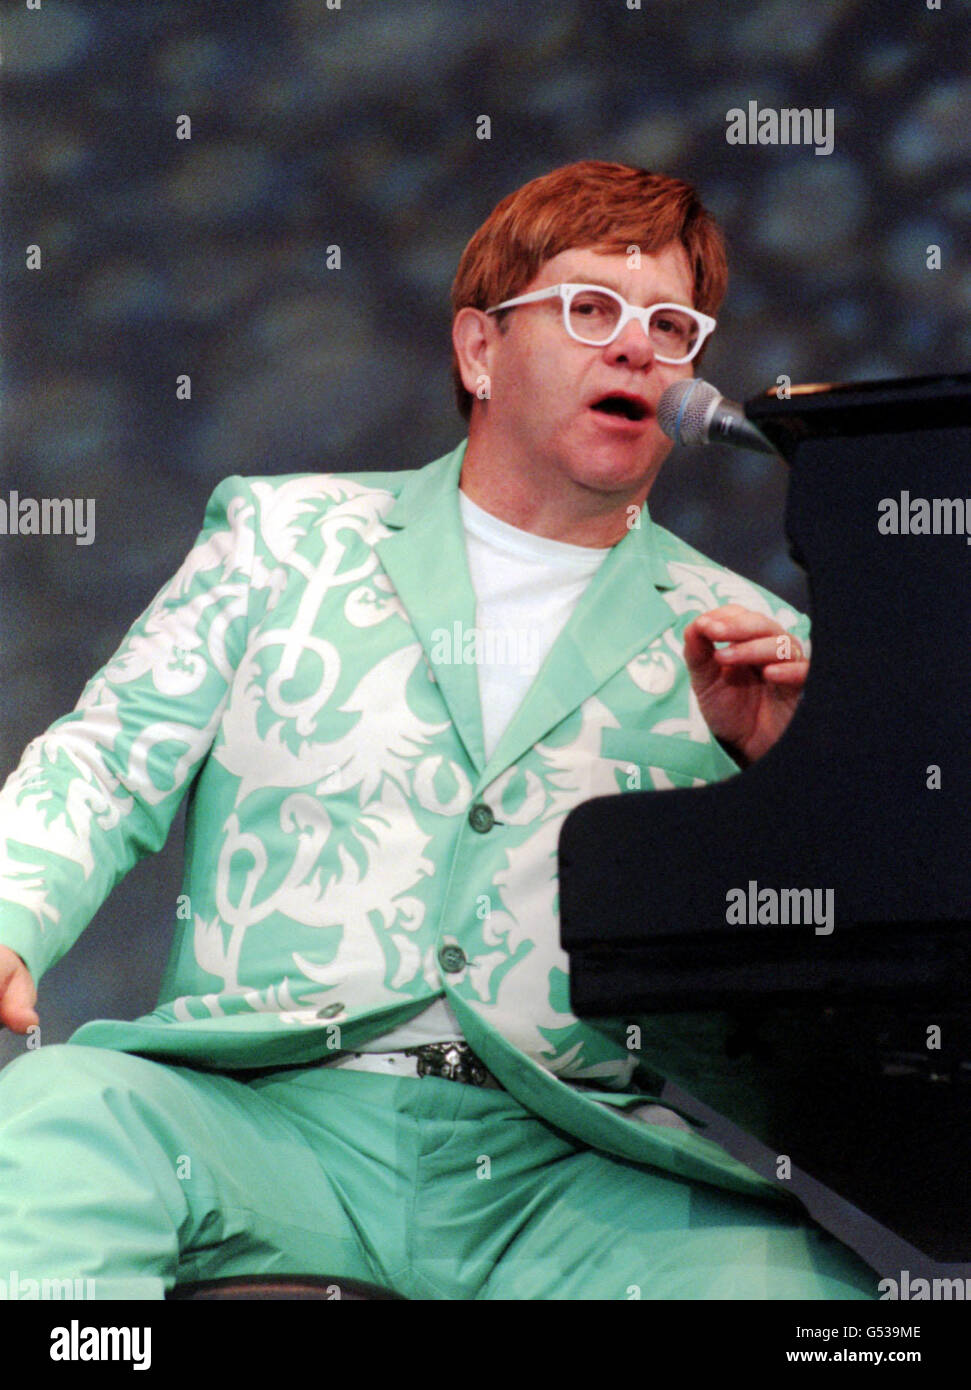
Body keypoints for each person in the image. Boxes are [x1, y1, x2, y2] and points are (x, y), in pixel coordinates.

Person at [0, 160, 874, 1300]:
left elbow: (840, 976)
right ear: (478, 351)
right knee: (60, 1119)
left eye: (670, 326)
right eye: (587, 309)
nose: (633, 348)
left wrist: (788, 775)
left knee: (805, 1305)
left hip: (569, 1169)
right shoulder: (286, 535)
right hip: (267, 1120)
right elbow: (110, 758)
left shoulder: (754, 638)